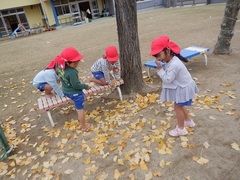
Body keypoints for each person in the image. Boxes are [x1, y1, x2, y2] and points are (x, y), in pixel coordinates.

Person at [149, 35, 199, 137]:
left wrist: (160, 69)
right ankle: (188, 121)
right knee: (180, 105)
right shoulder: (172, 60)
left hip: (184, 88)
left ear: (167, 50)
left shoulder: (174, 64)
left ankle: (181, 129)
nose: (158, 59)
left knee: (177, 108)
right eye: (156, 57)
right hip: (184, 87)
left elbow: (167, 79)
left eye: (159, 55)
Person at [57, 47, 92, 132]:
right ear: (67, 62)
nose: (77, 63)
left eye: (77, 61)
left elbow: (61, 79)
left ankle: (82, 123)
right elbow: (76, 85)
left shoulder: (60, 67)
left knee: (78, 108)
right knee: (80, 110)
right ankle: (84, 126)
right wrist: (86, 86)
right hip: (75, 94)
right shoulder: (72, 72)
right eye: (74, 63)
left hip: (66, 91)